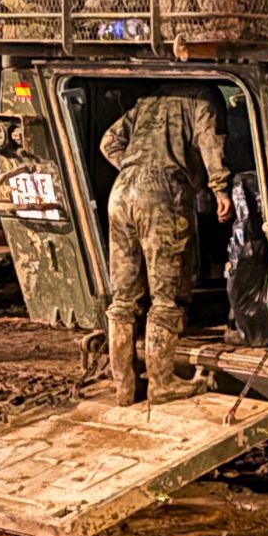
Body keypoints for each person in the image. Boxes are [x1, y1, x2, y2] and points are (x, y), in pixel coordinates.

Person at [100, 84, 232, 404]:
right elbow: (209, 142)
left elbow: (109, 142)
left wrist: (134, 168)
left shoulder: (149, 99)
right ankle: (161, 383)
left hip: (121, 193)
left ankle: (124, 386)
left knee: (123, 297)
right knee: (166, 294)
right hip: (162, 193)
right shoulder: (203, 98)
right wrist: (220, 189)